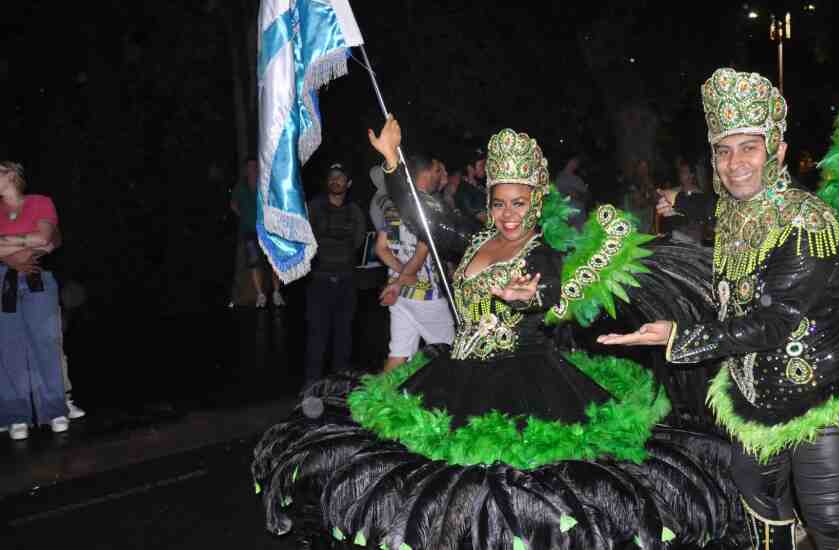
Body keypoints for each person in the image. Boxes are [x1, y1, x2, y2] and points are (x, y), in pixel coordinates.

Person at [251, 118, 744, 549]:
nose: (509, 214)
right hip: (455, 375)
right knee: (442, 490)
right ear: (490, 204)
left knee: (513, 498)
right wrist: (393, 161)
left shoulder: (542, 249)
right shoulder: (473, 238)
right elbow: (427, 213)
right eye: (501, 202)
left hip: (524, 383)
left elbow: (548, 289)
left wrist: (526, 296)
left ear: (537, 203)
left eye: (520, 203)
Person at [599, 68, 839, 550]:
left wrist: (678, 336)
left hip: (821, 392)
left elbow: (775, 321)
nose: (734, 163)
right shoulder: (738, 211)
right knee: (759, 500)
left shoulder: (807, 223)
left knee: (830, 523)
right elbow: (714, 207)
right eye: (724, 151)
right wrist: (680, 199)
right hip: (755, 392)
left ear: (778, 153)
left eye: (749, 148)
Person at [0, 161, 68, 440]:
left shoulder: (39, 202)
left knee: (45, 342)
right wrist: (18, 251)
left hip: (37, 277)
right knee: (8, 347)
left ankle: (55, 409)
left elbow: (45, 238)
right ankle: (16, 415)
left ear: (11, 174)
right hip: (3, 279)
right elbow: (35, 242)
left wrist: (6, 242)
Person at [373, 154, 455, 373]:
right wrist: (405, 278)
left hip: (399, 296)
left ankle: (378, 401)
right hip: (424, 294)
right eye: (438, 171)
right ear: (427, 172)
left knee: (399, 354)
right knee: (452, 352)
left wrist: (399, 277)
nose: (442, 176)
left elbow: (380, 248)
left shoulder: (392, 204)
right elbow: (421, 252)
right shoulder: (429, 206)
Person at [303, 163, 367, 385]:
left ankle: (339, 387)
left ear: (348, 183)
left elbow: (359, 241)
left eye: (340, 178)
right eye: (332, 177)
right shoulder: (314, 207)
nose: (335, 181)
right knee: (317, 336)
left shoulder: (354, 211)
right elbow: (305, 238)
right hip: (320, 280)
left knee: (344, 335)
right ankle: (310, 388)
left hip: (346, 280)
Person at [229, 158, 285, 308]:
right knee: (254, 262)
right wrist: (244, 215)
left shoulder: (265, 184)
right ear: (246, 170)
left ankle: (276, 293)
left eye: (255, 166)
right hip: (250, 232)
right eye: (250, 167)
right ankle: (260, 295)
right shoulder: (241, 186)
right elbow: (233, 204)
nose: (253, 169)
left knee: (274, 262)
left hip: (268, 231)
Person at [555, 153, 590, 230]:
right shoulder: (559, 177)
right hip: (564, 213)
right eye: (574, 161)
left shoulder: (578, 179)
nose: (576, 164)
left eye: (577, 162)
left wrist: (578, 195)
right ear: (568, 161)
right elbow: (556, 196)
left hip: (579, 213)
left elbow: (586, 196)